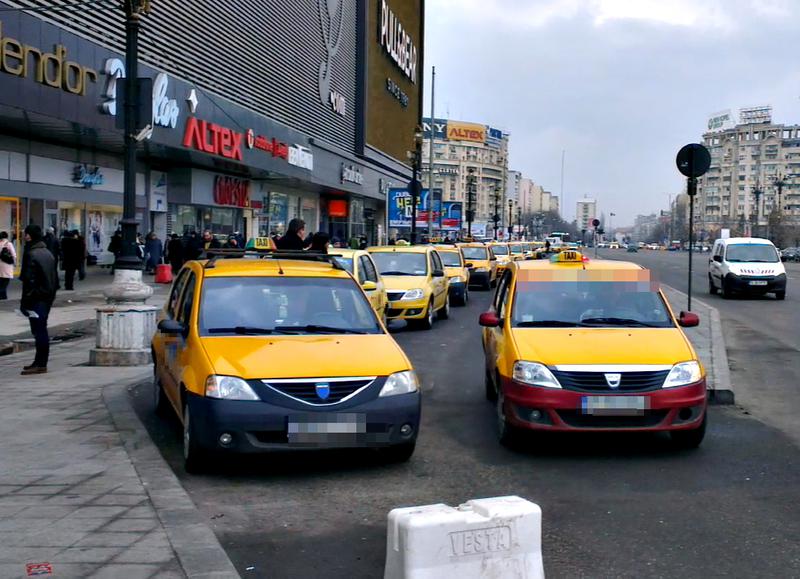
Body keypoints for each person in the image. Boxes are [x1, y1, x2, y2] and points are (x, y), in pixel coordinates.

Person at [19, 225, 58, 375]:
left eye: (25, 234)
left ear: (29, 236)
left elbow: (29, 281)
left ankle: (41, 364)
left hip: (36, 298)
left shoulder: (32, 254)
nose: (24, 237)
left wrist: (25, 303)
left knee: (39, 331)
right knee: (41, 329)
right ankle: (38, 362)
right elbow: (54, 279)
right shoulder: (47, 253)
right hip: (46, 297)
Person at [0, 231, 17, 300]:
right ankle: (2, 294)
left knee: (1, 280)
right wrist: (15, 262)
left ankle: (3, 295)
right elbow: (13, 254)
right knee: (6, 280)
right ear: (6, 236)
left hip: (0, 265)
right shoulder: (8, 244)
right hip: (7, 265)